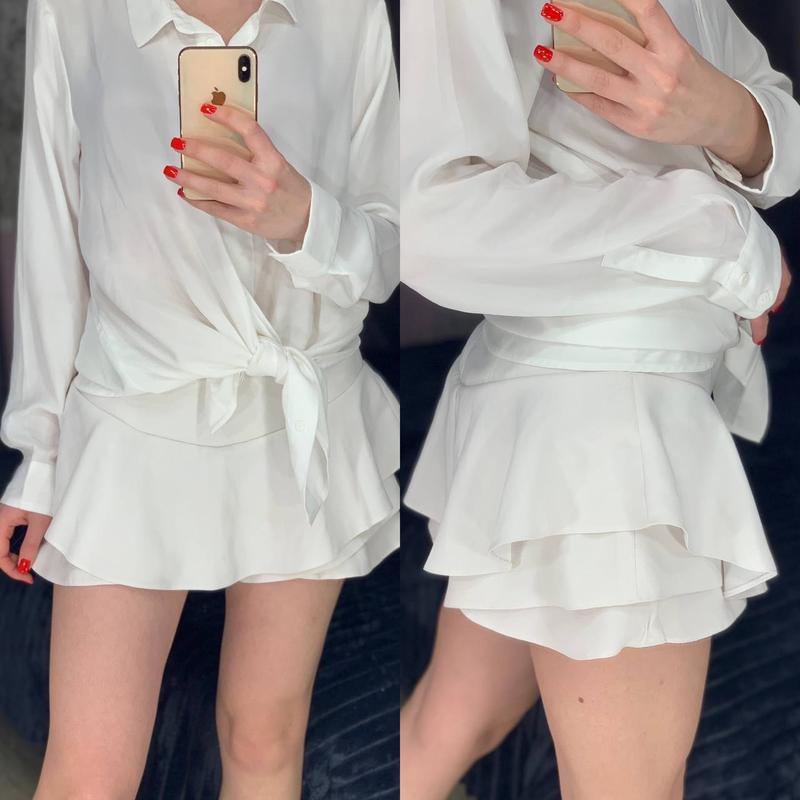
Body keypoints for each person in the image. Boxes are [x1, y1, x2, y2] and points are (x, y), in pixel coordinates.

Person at [399, 0, 800, 798]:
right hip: (602, 423)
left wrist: (725, 112)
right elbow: (429, 220)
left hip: (601, 405)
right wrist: (720, 237)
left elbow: (779, 129)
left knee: (451, 726)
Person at [0, 0, 399, 797]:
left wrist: (304, 220)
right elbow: (51, 227)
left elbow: (390, 250)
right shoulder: (75, 11)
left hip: (302, 416)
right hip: (136, 409)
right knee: (89, 773)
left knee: (263, 738)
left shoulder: (347, 11)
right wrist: (40, 456)